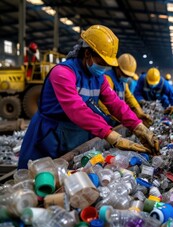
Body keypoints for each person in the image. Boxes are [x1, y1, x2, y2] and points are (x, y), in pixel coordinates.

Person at [18, 25, 159, 169]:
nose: (104, 67)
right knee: (37, 178)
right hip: (49, 136)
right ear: (87, 54)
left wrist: (139, 127)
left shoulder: (99, 79)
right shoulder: (63, 73)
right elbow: (77, 109)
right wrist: (111, 135)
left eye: (107, 64)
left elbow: (116, 103)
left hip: (75, 134)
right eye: (102, 62)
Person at [99, 53, 153, 128]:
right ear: (117, 68)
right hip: (106, 120)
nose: (126, 77)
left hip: (117, 117)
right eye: (124, 74)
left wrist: (139, 112)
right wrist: (119, 119)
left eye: (128, 76)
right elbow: (103, 105)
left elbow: (129, 98)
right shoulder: (108, 78)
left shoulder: (123, 83)